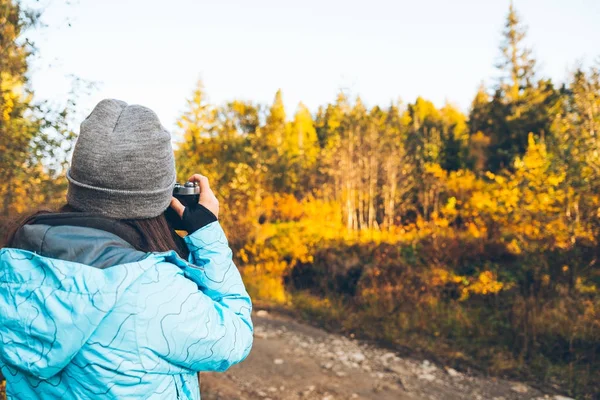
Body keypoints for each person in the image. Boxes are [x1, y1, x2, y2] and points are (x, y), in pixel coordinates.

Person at [0, 99, 253, 399]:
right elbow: (236, 336)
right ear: (161, 198)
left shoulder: (14, 264)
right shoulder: (151, 290)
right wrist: (206, 231)